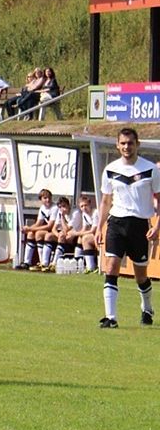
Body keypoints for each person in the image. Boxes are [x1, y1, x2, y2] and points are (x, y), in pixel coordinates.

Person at [95, 128, 160, 328]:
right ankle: (110, 317)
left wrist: (157, 225)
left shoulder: (150, 169)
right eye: (123, 143)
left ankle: (147, 308)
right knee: (111, 266)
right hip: (116, 222)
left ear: (137, 144)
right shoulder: (111, 169)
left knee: (141, 275)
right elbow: (106, 201)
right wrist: (99, 227)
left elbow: (158, 198)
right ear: (117, 145)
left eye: (130, 143)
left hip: (139, 224)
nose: (126, 147)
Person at [15, 189, 58, 270]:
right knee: (31, 234)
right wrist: (28, 229)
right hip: (50, 231)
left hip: (56, 232)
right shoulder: (42, 208)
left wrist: (30, 228)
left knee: (38, 233)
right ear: (41, 199)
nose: (48, 200)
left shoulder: (55, 208)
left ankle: (43, 263)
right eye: (45, 198)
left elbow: (50, 226)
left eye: (49, 198)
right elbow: (39, 223)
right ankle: (27, 262)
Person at [68, 195, 99, 272]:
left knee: (85, 238)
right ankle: (77, 263)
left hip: (101, 234)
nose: (84, 208)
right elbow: (84, 229)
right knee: (81, 238)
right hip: (95, 235)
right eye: (81, 206)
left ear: (90, 204)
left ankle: (90, 266)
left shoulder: (95, 213)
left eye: (86, 205)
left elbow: (93, 230)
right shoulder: (84, 214)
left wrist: (75, 233)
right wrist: (75, 234)